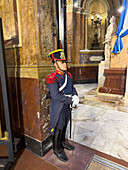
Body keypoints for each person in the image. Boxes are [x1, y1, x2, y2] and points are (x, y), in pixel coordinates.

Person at [46, 49, 79, 162]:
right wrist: (70, 100)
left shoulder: (67, 75)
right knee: (59, 128)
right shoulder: (52, 78)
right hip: (59, 107)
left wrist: (75, 96)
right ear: (55, 64)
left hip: (66, 106)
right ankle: (57, 149)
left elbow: (72, 88)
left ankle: (63, 142)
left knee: (64, 125)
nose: (65, 64)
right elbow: (55, 96)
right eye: (62, 62)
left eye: (65, 62)